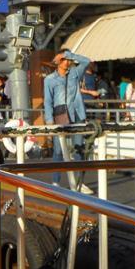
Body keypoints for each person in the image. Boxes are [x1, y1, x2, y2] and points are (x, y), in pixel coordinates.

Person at [43, 48, 93, 191]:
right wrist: (49, 120)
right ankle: (55, 181)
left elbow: (86, 61)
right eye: (64, 59)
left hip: (77, 115)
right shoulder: (50, 80)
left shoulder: (75, 73)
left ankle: (78, 183)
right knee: (58, 150)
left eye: (68, 59)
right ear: (58, 61)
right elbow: (48, 101)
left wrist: (68, 54)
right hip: (60, 116)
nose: (66, 62)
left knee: (79, 149)